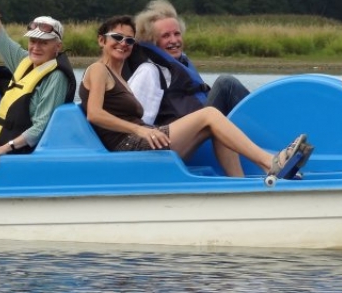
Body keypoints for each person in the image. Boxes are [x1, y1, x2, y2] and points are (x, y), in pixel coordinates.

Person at [79, 15, 308, 178]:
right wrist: (141, 130)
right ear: (102, 40)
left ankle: (238, 185)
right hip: (128, 146)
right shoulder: (99, 69)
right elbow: (94, 114)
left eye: (129, 40)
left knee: (216, 125)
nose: (123, 44)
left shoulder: (120, 78)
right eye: (117, 37)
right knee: (209, 114)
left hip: (142, 141)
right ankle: (270, 162)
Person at [0, 0, 76, 169]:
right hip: (0, 150)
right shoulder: (24, 61)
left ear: (57, 47)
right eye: (33, 41)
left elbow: (40, 128)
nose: (36, 47)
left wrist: (2, 149)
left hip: (18, 156)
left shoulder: (56, 77)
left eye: (44, 42)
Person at [127, 0, 250, 126]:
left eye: (177, 33)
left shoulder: (181, 63)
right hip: (188, 136)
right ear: (152, 41)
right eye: (166, 36)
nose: (174, 40)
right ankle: (268, 130)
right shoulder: (149, 71)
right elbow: (137, 121)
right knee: (226, 84)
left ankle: (262, 132)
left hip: (205, 124)